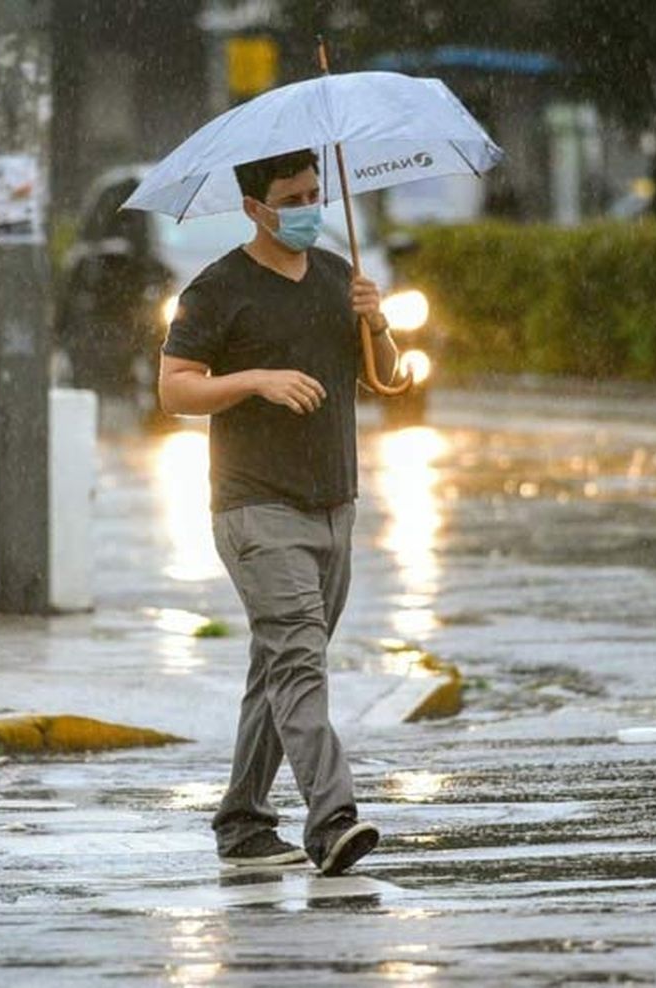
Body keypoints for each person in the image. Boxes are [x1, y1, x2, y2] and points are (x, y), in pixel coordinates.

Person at [157, 149, 399, 876]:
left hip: (335, 504)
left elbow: (389, 379)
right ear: (255, 208)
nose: (307, 208)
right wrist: (255, 379)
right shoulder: (219, 288)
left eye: (314, 193)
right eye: (291, 198)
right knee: (299, 659)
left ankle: (242, 821)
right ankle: (333, 820)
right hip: (255, 506)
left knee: (279, 665)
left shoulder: (335, 275)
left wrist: (378, 322)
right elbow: (174, 389)